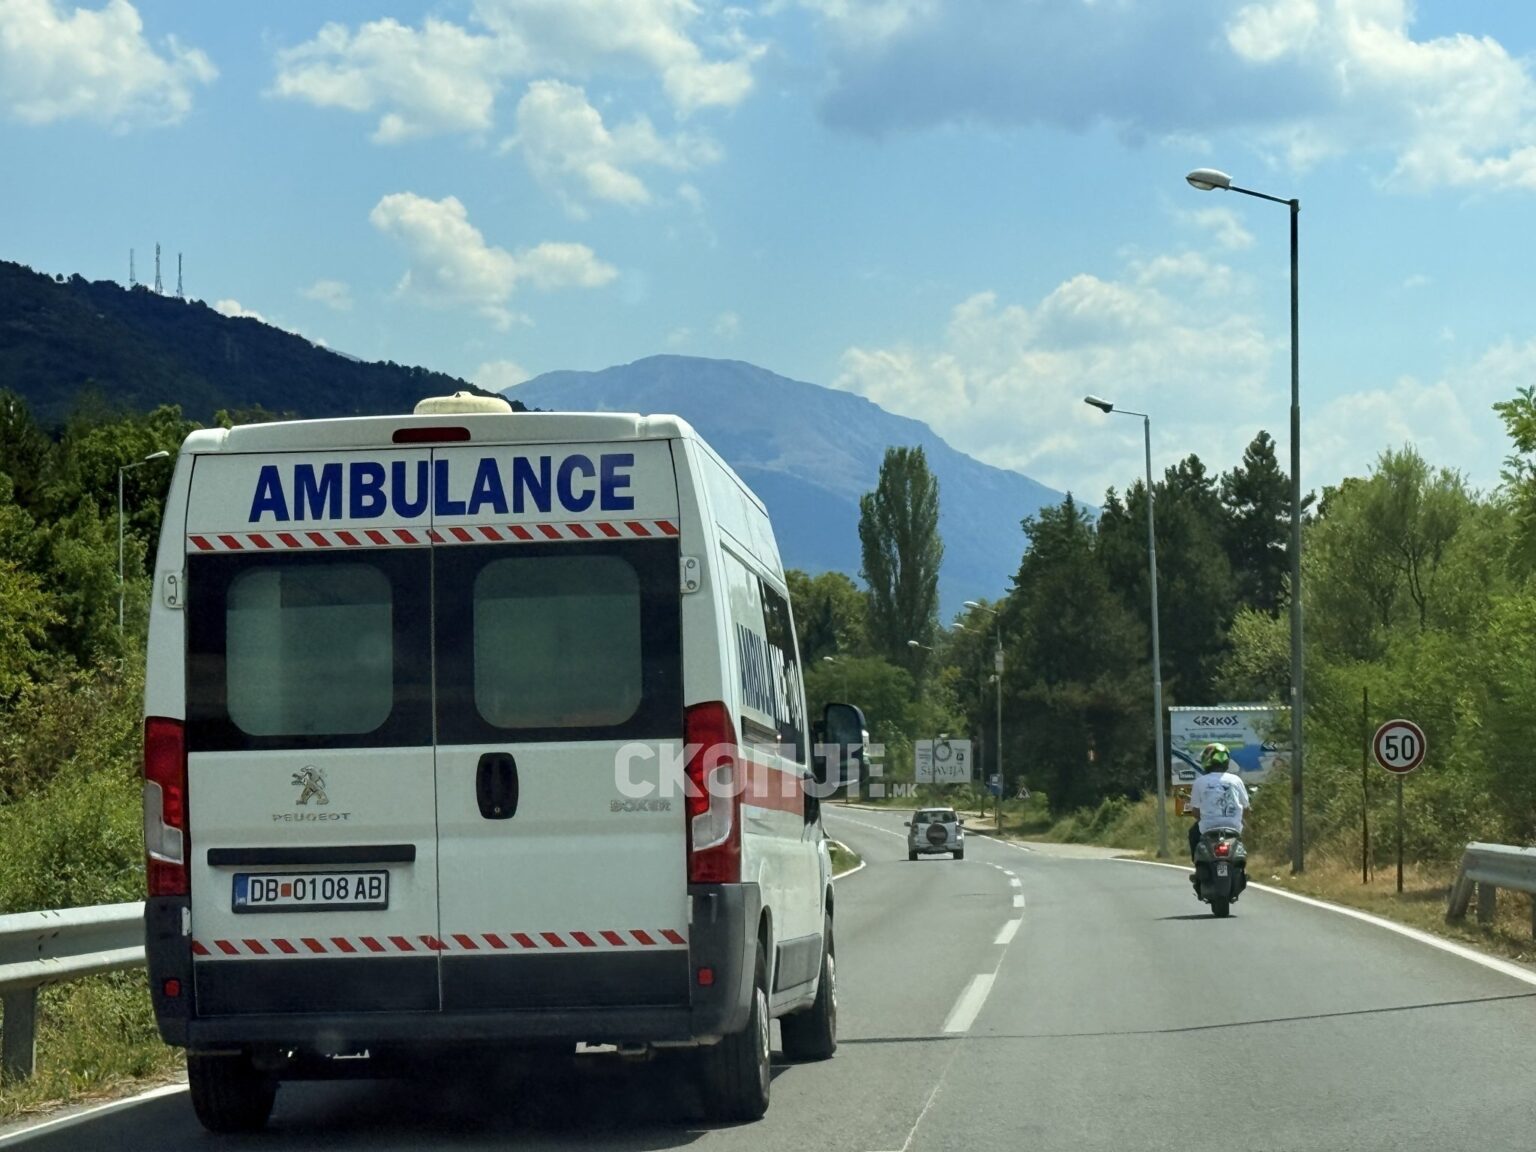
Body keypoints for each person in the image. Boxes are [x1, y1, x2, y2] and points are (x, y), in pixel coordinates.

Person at [1185, 742, 1251, 865]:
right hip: (1234, 827)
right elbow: (1246, 809)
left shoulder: (1200, 782)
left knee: (1193, 833)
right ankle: (1243, 866)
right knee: (1242, 841)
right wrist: (1239, 820)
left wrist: (1207, 818)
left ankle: (1196, 863)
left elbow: (1195, 812)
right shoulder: (1236, 780)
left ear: (1207, 761)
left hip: (1208, 827)